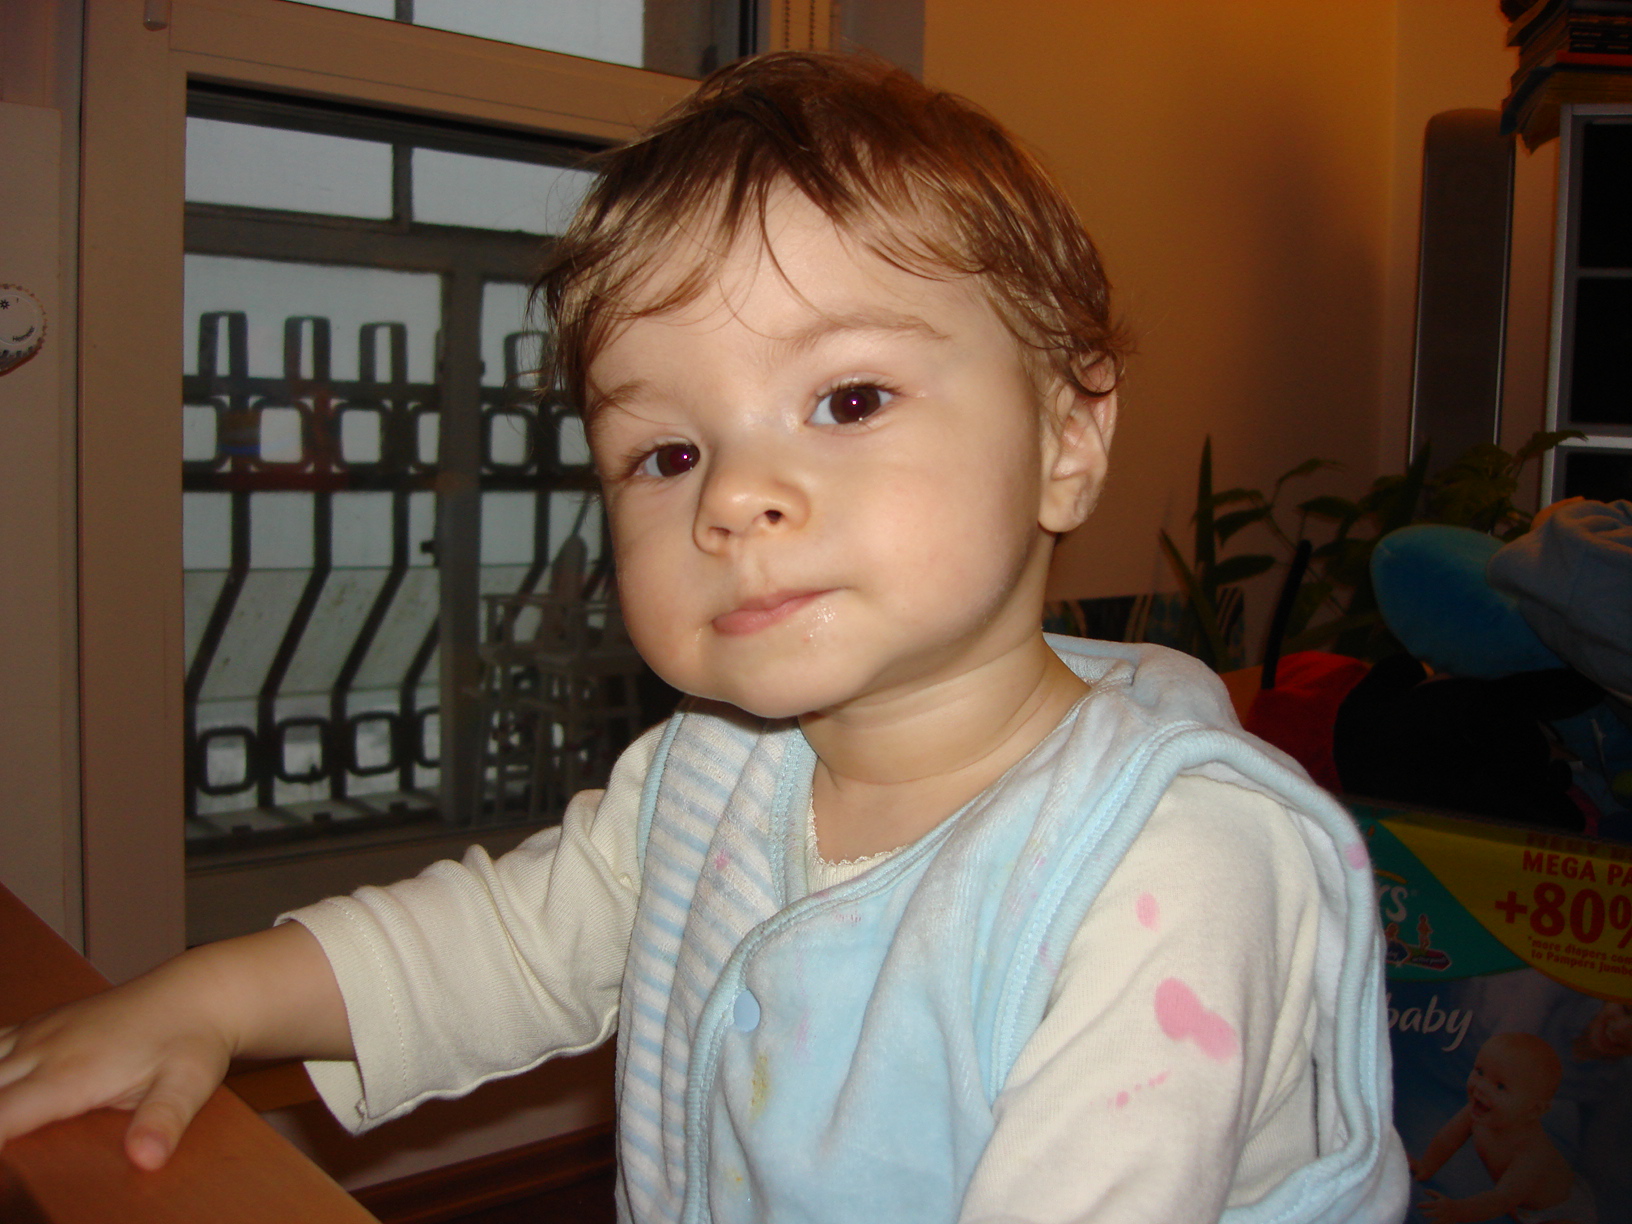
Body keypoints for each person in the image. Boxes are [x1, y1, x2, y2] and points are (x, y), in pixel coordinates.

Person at [0, 51, 1406, 1223]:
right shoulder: (716, 775)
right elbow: (502, 944)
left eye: (848, 399)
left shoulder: (1180, 868)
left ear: (1068, 438)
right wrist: (205, 1002)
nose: (733, 496)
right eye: (666, 454)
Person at [1410, 1032, 1595, 1224]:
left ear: (1534, 1110)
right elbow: (1448, 1139)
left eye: (1500, 1086)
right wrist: (1426, 1166)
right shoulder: (1478, 1112)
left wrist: (1458, 1211)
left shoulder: (1531, 1153)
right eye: (1480, 1071)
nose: (1481, 1087)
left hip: (1560, 1211)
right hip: (1515, 1201)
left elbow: (1501, 1200)